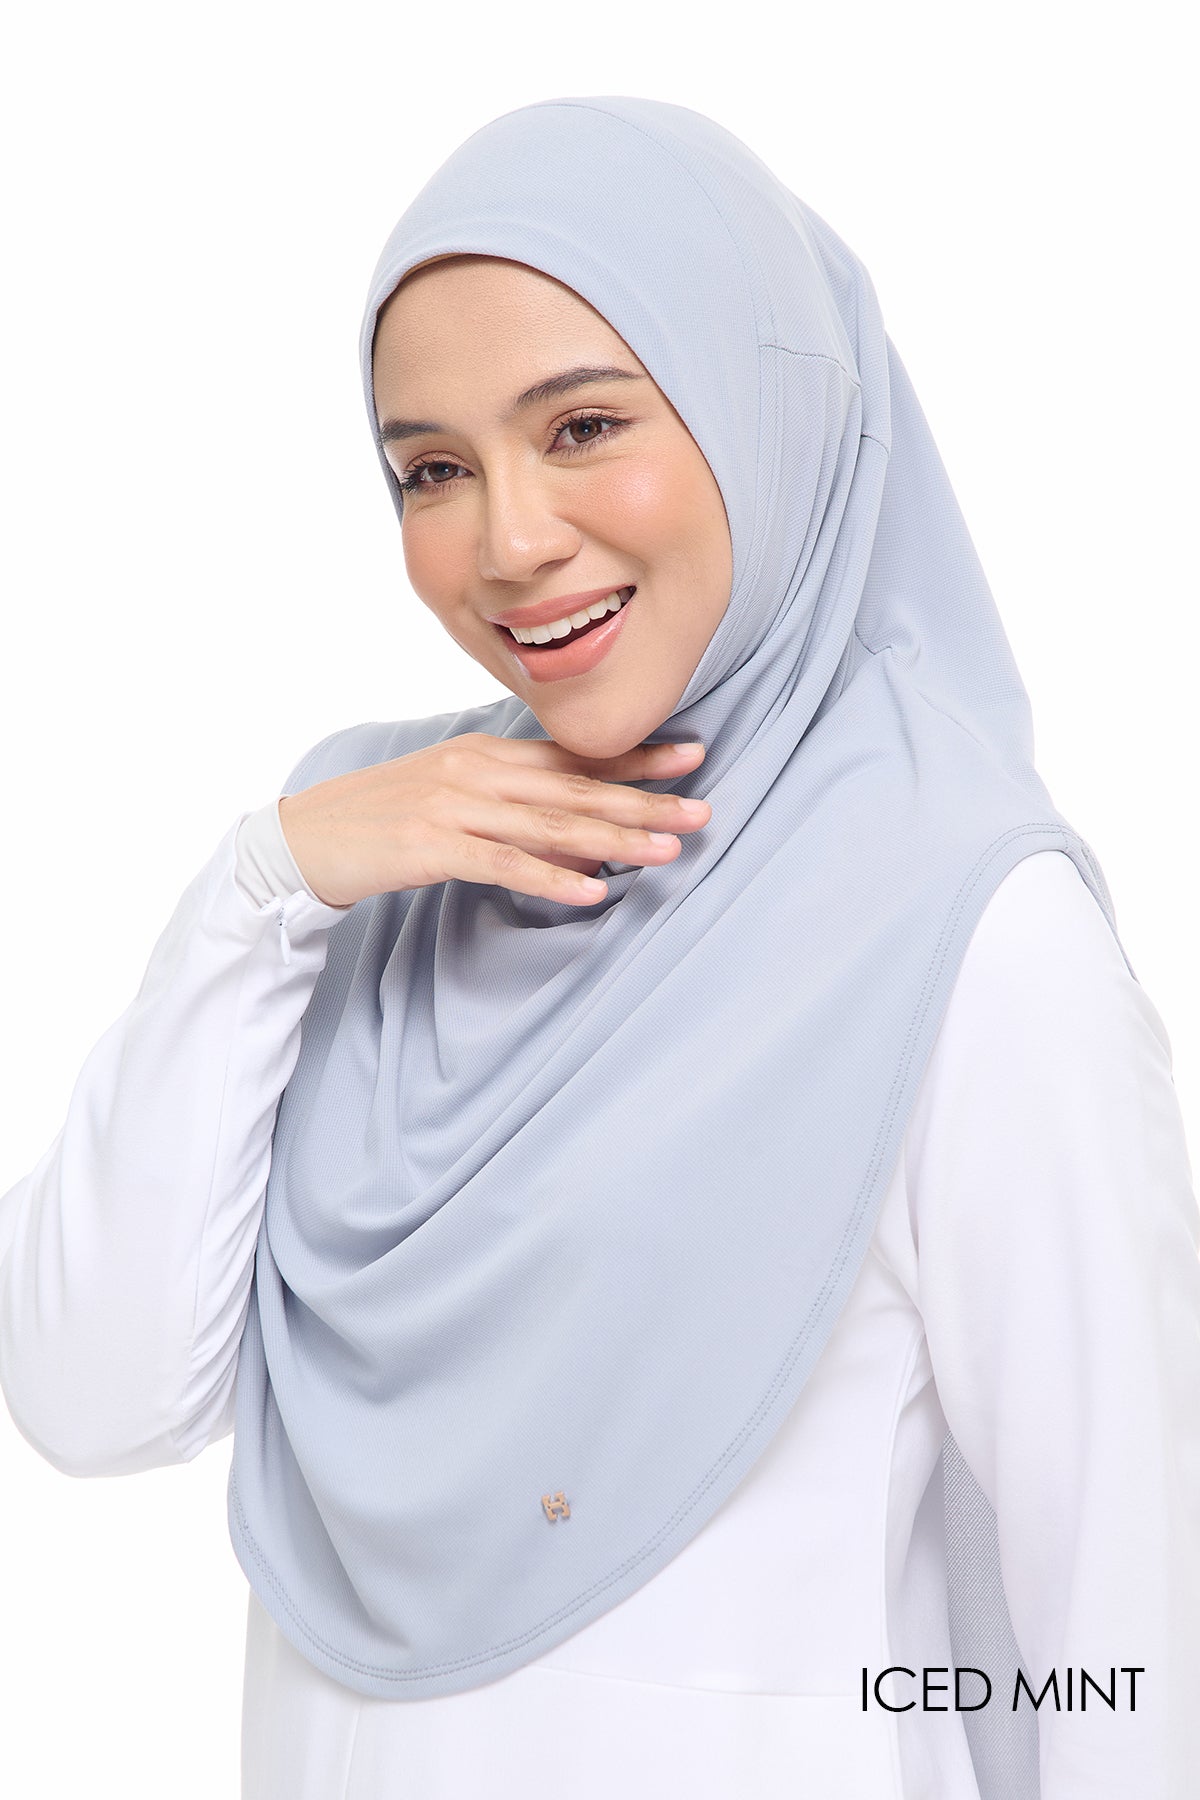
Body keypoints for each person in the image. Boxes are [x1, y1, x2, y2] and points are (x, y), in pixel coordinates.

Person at [2, 95, 1198, 1800]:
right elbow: (89, 1396)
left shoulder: (966, 926)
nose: (507, 543)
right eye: (431, 469)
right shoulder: (372, 870)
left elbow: (1128, 1625)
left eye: (582, 426)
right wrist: (264, 888)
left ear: (766, 406)